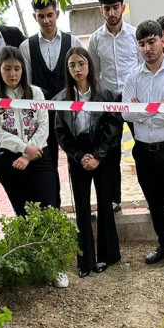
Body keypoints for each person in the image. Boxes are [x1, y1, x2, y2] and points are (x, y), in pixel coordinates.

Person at [122, 20, 164, 271]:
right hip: (143, 150)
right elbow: (126, 113)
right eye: (142, 44)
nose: (147, 48)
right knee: (154, 202)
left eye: (152, 42)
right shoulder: (133, 75)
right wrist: (155, 108)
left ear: (163, 41)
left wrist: (142, 109)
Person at [55, 47, 123, 277]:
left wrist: (98, 155)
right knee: (81, 209)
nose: (77, 69)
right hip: (78, 157)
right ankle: (85, 261)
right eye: (72, 65)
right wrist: (78, 156)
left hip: (101, 155)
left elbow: (114, 127)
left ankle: (107, 256)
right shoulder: (61, 99)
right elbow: (60, 132)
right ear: (67, 69)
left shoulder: (107, 94)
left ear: (89, 65)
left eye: (81, 63)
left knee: (105, 204)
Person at [88, 0, 141, 214]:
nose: (112, 13)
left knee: (144, 148)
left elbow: (142, 67)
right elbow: (95, 74)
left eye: (115, 7)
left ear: (123, 8)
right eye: (107, 8)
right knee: (110, 151)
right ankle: (113, 200)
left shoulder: (135, 35)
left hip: (134, 99)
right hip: (108, 101)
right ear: (101, 10)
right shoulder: (95, 39)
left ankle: (152, 196)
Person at [20, 0, 72, 207]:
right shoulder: (26, 46)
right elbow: (28, 84)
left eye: (49, 15)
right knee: (48, 165)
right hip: (41, 116)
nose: (46, 20)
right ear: (35, 17)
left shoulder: (72, 42)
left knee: (75, 162)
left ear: (57, 14)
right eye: (41, 16)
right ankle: (54, 210)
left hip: (69, 113)